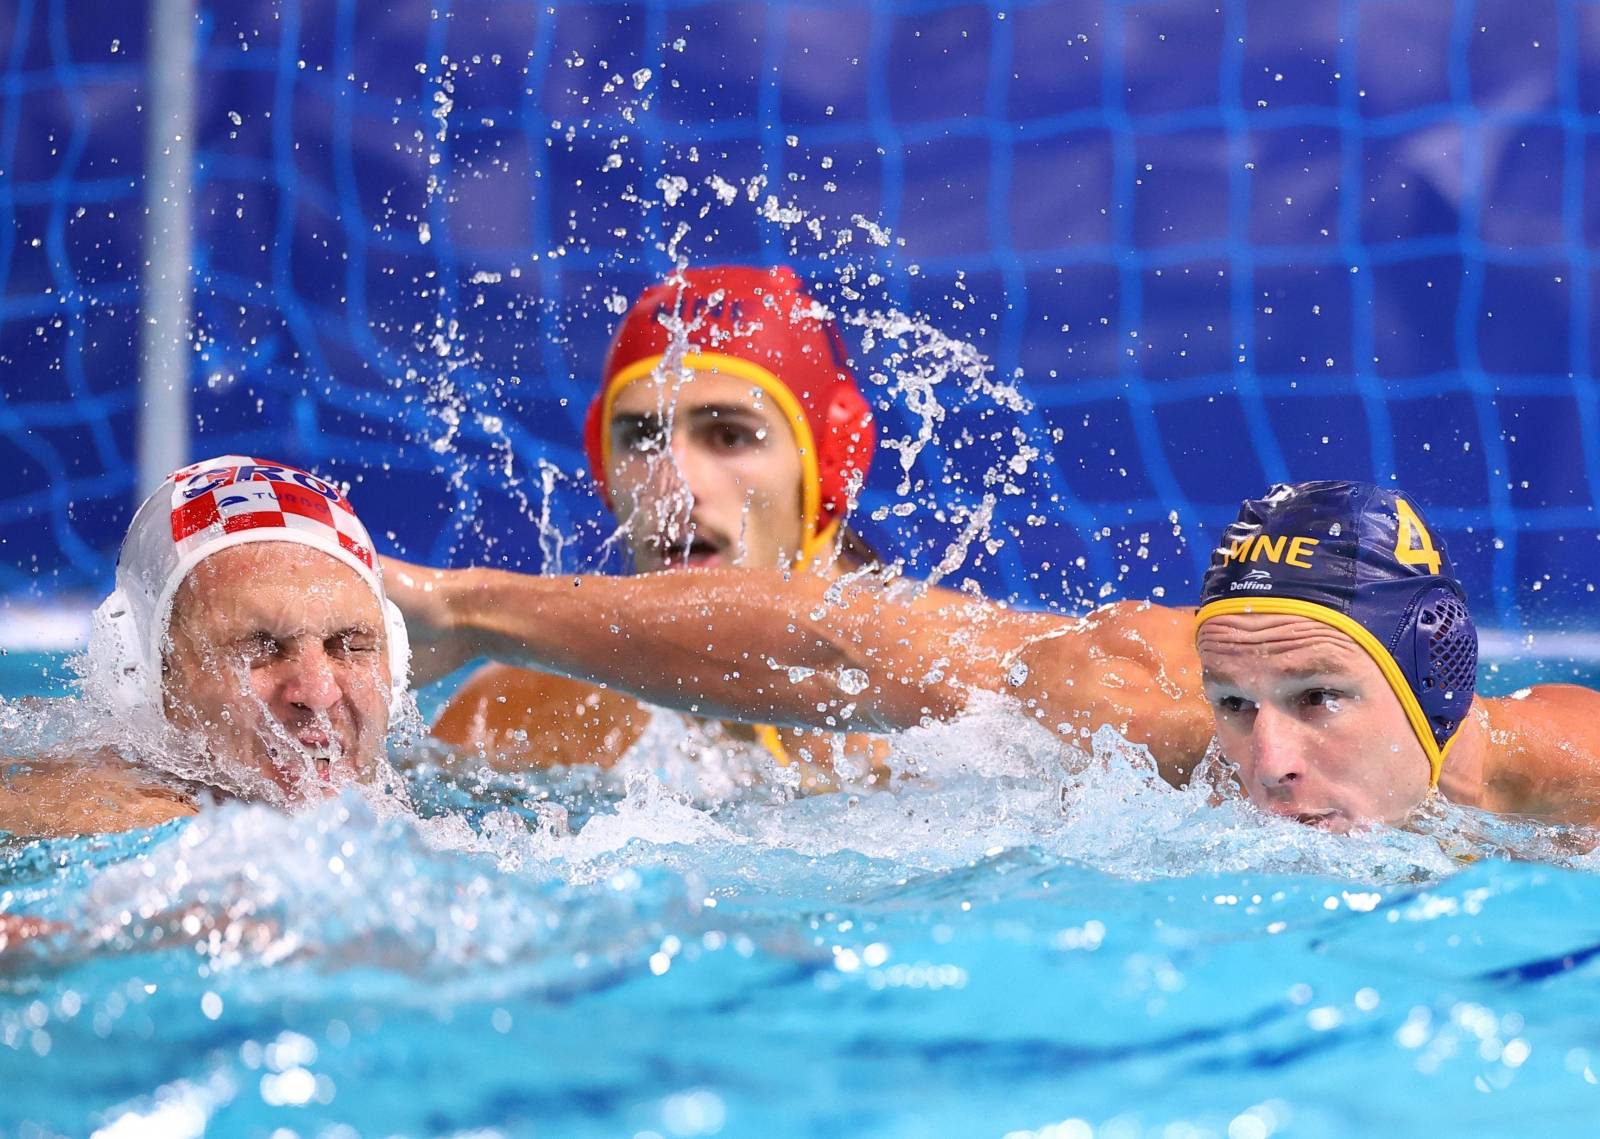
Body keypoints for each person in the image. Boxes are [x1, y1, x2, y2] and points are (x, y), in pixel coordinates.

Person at [385, 480, 1600, 830]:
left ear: (1433, 693)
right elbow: (837, 639)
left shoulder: (1571, 780)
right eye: (1234, 701)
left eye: (1319, 698)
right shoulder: (1153, 726)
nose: (1267, 760)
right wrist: (465, 609)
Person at [426, 264, 898, 788]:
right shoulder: (511, 720)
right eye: (643, 439)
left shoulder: (939, 716)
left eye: (729, 436)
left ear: (830, 461)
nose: (674, 486)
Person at [0, 456, 410, 837]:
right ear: (141, 675)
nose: (320, 694)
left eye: (351, 646)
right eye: (259, 648)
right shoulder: (95, 825)